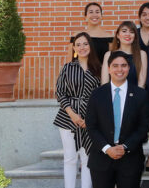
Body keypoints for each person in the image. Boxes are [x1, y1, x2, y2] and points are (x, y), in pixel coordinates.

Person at [85, 51, 149, 188]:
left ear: (129, 68)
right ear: (109, 69)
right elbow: (91, 126)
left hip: (130, 160)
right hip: (101, 160)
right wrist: (107, 148)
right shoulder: (97, 94)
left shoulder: (141, 95)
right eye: (115, 66)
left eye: (123, 65)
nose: (119, 69)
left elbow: (143, 127)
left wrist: (125, 147)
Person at [55, 32, 101, 188]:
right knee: (70, 157)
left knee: (88, 157)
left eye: (85, 44)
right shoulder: (68, 67)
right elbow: (59, 92)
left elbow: (101, 95)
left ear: (90, 46)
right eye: (78, 44)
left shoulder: (99, 68)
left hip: (91, 118)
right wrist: (72, 114)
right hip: (68, 117)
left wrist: (91, 118)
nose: (82, 47)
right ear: (74, 48)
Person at [101, 21, 149, 88]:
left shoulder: (142, 54)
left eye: (131, 32)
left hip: (135, 95)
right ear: (117, 35)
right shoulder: (108, 55)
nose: (128, 34)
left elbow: (141, 84)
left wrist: (137, 97)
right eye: (124, 31)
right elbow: (104, 82)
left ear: (135, 36)